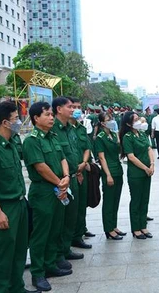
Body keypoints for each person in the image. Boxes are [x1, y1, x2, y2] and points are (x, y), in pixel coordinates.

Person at [0, 102, 38, 293]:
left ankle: (17, 288)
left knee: (19, 250)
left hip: (20, 203)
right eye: (15, 119)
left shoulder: (12, 142)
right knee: (3, 254)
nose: (19, 122)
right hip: (5, 206)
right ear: (5, 122)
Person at [23, 102, 72, 291]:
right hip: (43, 191)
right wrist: (59, 182)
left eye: (52, 114)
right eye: (47, 114)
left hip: (59, 188)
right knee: (41, 234)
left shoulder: (52, 136)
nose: (51, 117)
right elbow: (40, 167)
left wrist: (66, 177)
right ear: (36, 118)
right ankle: (38, 273)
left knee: (55, 229)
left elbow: (62, 158)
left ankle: (51, 264)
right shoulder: (31, 140)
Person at [51, 97, 83, 268]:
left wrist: (78, 171)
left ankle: (66, 248)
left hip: (73, 176)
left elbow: (74, 151)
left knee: (71, 215)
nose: (73, 110)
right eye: (69, 107)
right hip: (60, 181)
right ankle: (57, 255)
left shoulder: (70, 128)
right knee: (60, 219)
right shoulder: (53, 128)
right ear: (59, 109)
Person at [120, 111, 155, 240]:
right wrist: (145, 168)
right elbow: (131, 156)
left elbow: (149, 149)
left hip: (147, 171)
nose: (139, 121)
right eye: (135, 120)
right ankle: (136, 228)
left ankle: (143, 226)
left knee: (145, 198)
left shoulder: (142, 134)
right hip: (136, 173)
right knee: (136, 200)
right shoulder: (127, 137)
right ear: (129, 123)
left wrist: (152, 164)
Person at [95, 112, 126, 239]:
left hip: (118, 170)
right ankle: (108, 229)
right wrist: (108, 175)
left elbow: (118, 150)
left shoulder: (113, 135)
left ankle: (114, 225)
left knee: (116, 200)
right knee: (108, 201)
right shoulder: (100, 138)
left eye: (111, 118)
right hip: (109, 171)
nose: (111, 121)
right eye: (108, 119)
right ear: (102, 123)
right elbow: (102, 158)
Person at [68, 97, 94, 248]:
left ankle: (80, 232)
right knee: (72, 206)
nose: (75, 110)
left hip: (82, 169)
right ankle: (73, 235)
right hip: (70, 173)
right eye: (72, 106)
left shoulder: (81, 128)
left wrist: (84, 164)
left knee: (81, 203)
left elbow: (87, 147)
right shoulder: (62, 129)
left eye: (78, 106)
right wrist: (75, 169)